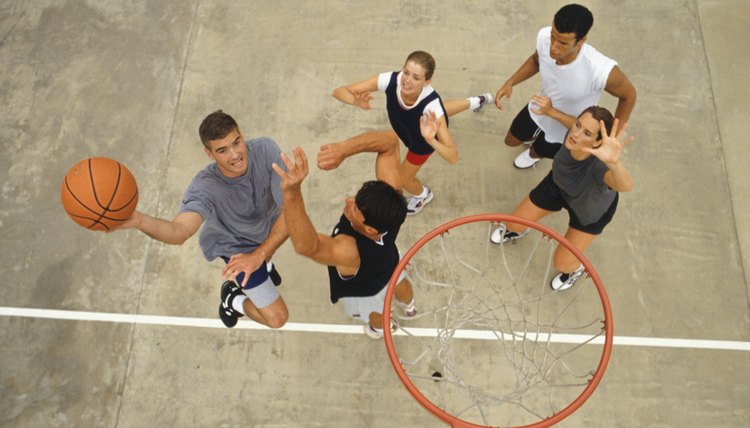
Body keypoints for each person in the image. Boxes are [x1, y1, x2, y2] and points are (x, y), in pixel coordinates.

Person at [116, 110, 290, 329]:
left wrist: (262, 254)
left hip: (264, 227)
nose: (235, 155)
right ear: (209, 154)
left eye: (236, 143)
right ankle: (232, 300)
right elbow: (180, 231)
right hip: (237, 246)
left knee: (270, 242)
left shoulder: (266, 150)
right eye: (223, 150)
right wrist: (139, 220)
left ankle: (265, 263)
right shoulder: (205, 188)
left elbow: (290, 211)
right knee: (277, 318)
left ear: (242, 135)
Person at [273, 131, 417, 339]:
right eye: (355, 198)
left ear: (369, 230)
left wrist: (292, 193)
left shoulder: (350, 250)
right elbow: (390, 143)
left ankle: (380, 328)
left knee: (377, 314)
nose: (348, 201)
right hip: (391, 262)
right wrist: (344, 149)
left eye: (355, 208)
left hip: (367, 292)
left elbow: (308, 246)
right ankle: (410, 307)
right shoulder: (391, 206)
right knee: (401, 283)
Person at [329, 50, 493, 215]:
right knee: (442, 110)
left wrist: (431, 140)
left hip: (421, 142)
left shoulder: (433, 109)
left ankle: (423, 195)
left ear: (427, 81)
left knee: (404, 179)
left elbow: (453, 157)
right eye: (406, 72)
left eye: (416, 77)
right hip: (411, 124)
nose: (407, 80)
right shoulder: (391, 80)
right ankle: (477, 101)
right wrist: (354, 100)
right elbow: (339, 91)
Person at [490, 106, 633, 290]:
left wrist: (615, 163)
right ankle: (519, 230)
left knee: (562, 263)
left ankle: (575, 270)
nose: (576, 134)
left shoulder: (599, 167)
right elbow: (569, 122)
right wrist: (550, 111)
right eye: (577, 125)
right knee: (513, 224)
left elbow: (625, 186)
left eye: (587, 133)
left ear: (598, 143)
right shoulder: (572, 136)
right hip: (557, 186)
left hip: (588, 210)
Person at [494, 3, 636, 169]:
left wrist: (612, 137)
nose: (553, 48)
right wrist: (511, 82)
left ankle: (534, 155)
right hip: (538, 108)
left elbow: (629, 96)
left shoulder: (600, 70)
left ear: (581, 41)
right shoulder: (544, 37)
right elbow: (536, 60)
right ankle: (533, 139)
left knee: (539, 150)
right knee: (510, 141)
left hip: (568, 128)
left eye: (562, 43)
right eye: (553, 36)